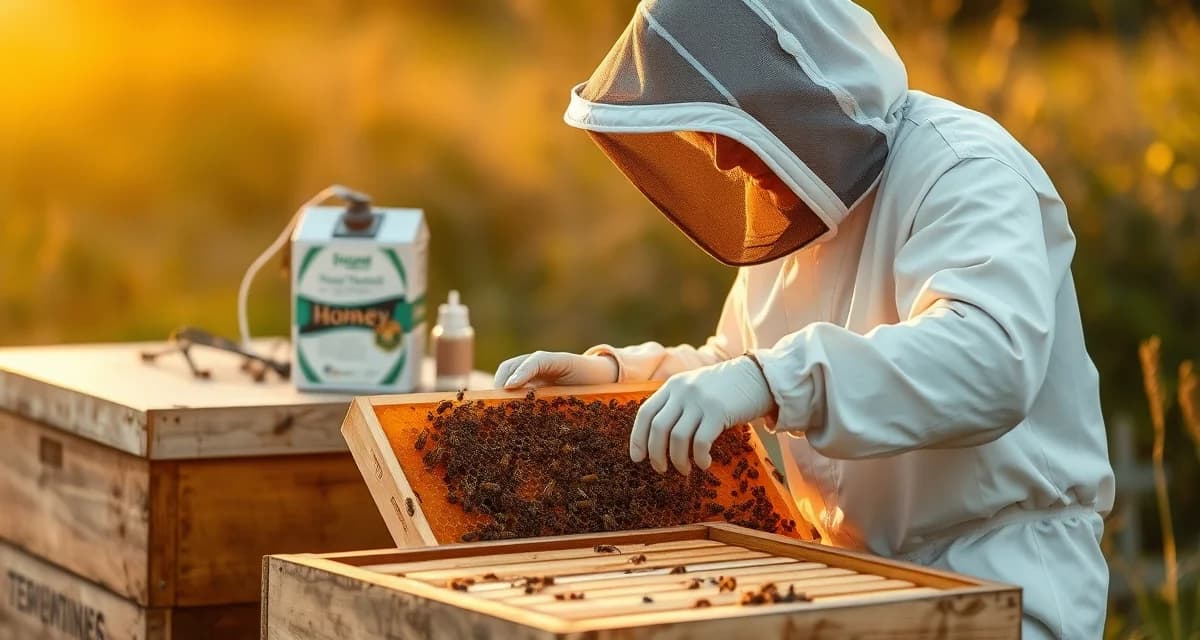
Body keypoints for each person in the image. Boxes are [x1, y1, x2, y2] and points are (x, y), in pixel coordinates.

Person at [494, 1, 1114, 637]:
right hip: (849, 581)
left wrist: (769, 379)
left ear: (790, 93)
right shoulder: (798, 205)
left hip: (1001, 578)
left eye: (729, 123)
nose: (722, 160)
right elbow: (734, 366)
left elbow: (987, 358)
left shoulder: (964, 169)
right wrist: (616, 380)